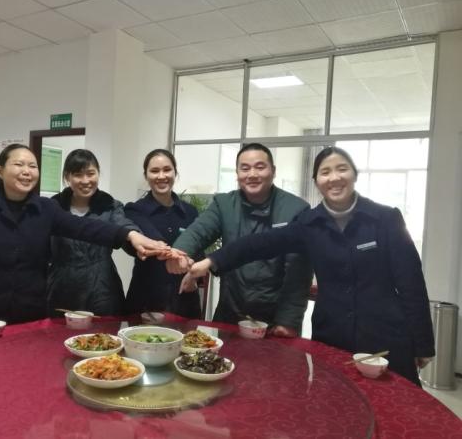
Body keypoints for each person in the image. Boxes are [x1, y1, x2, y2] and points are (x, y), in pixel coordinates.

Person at [180, 146, 434, 385]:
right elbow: (259, 244)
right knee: (334, 403)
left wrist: (423, 344)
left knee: (396, 407)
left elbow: (411, 284)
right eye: (325, 172)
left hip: (386, 336)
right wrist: (212, 261)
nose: (334, 178)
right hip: (332, 335)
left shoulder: (386, 219)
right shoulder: (310, 224)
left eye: (342, 169)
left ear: (354, 174)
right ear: (316, 181)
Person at [0, 144, 167, 338]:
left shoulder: (45, 208)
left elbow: (84, 227)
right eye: (19, 164)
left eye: (32, 166)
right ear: (0, 171)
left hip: (26, 312)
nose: (27, 171)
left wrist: (129, 235)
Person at [168, 143, 313, 335]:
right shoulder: (225, 204)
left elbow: (298, 275)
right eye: (245, 168)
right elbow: (198, 231)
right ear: (237, 173)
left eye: (260, 167)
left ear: (273, 171)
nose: (252, 174)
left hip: (274, 320)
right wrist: (178, 253)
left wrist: (288, 321)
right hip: (230, 312)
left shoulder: (296, 209)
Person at [47, 149, 137, 316]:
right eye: (78, 175)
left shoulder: (110, 205)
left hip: (102, 287)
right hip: (62, 287)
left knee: (105, 331)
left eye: (90, 173)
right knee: (60, 331)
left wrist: (135, 235)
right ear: (67, 177)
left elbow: (123, 224)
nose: (85, 180)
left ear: (98, 173)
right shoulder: (54, 206)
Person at [123, 149, 202, 318]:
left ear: (175, 172)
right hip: (146, 301)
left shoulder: (190, 212)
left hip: (184, 299)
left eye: (167, 169)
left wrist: (194, 274)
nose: (161, 176)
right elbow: (148, 239)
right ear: (146, 176)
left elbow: (199, 251)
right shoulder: (134, 210)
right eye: (154, 171)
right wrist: (171, 252)